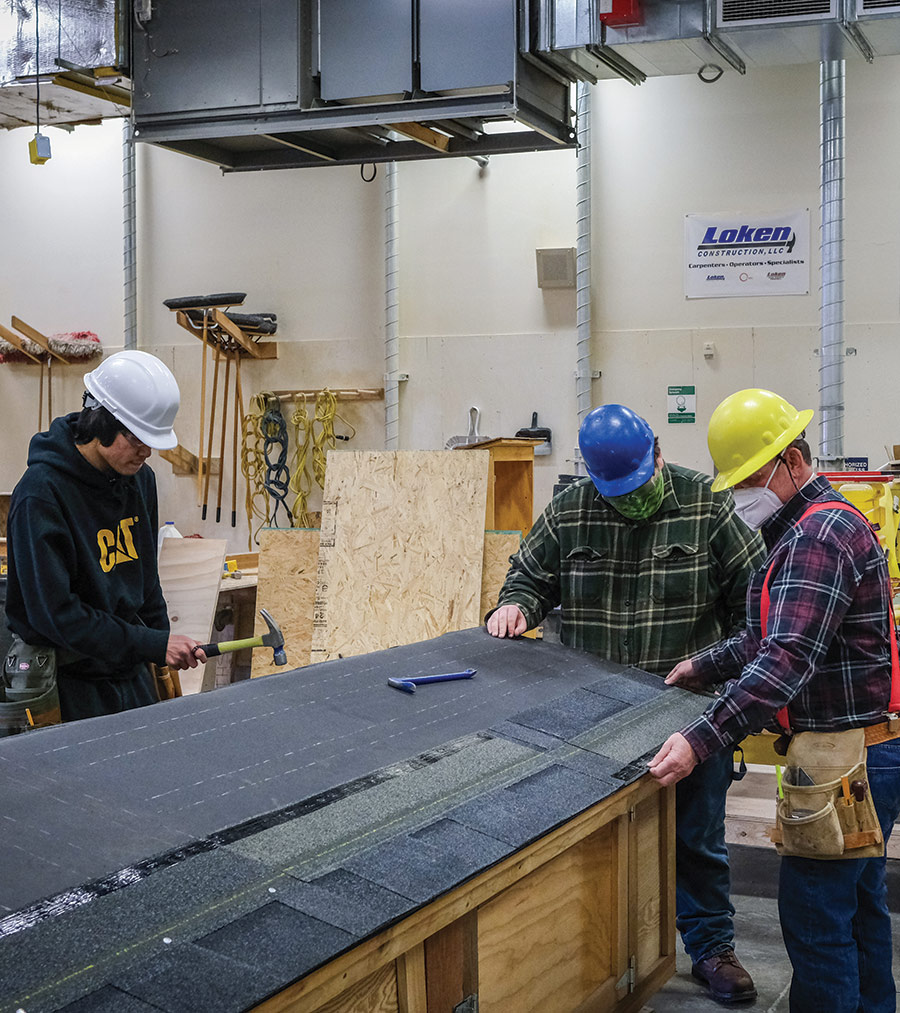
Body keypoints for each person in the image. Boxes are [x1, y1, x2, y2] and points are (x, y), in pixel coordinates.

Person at [488, 402, 767, 1004]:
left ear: (658, 455)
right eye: (616, 492)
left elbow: (758, 609)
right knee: (594, 841)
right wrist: (515, 606)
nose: (630, 500)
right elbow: (529, 578)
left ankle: (712, 947)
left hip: (687, 710)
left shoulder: (708, 505)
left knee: (696, 837)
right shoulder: (570, 510)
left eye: (639, 486)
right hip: (591, 718)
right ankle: (598, 954)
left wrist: (724, 686)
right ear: (593, 477)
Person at [650, 388, 900, 1013]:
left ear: (792, 461)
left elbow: (784, 662)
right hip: (860, 750)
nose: (741, 496)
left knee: (817, 923)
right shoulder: (810, 527)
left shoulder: (816, 538)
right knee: (860, 911)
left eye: (752, 478)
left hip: (843, 760)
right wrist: (699, 665)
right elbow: (766, 633)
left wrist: (698, 738)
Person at [4, 349, 205, 724]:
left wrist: (161, 648)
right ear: (101, 422)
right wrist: (152, 644)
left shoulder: (138, 480)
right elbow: (56, 616)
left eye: (153, 441)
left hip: (128, 671)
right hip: (66, 685)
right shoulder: (40, 495)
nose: (147, 452)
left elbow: (146, 584)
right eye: (138, 438)